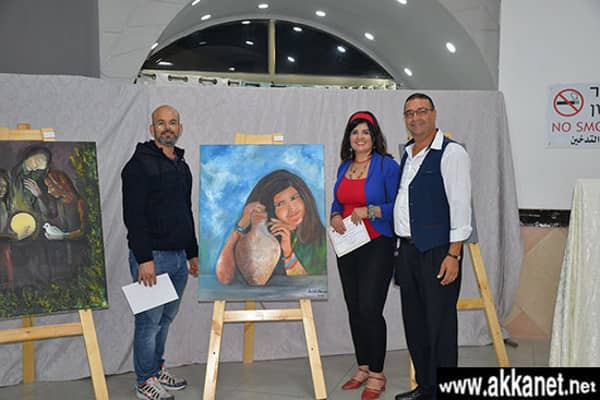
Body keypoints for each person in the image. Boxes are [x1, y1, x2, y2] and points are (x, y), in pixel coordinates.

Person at [393, 93, 472, 400]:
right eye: (409, 113)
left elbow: (460, 208)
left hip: (439, 252)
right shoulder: (408, 154)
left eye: (422, 111)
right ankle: (426, 387)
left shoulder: (452, 153)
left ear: (434, 114)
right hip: (408, 251)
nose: (416, 118)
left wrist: (454, 254)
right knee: (415, 324)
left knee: (440, 326)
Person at [121, 104, 199, 400]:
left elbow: (185, 211)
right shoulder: (138, 166)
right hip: (152, 258)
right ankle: (144, 381)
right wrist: (144, 259)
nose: (168, 128)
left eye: (173, 122)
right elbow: (133, 217)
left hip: (178, 258)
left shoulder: (181, 165)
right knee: (148, 322)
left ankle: (156, 368)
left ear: (180, 128)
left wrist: (192, 253)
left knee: (165, 319)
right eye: (161, 123)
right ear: (152, 129)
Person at [330, 111, 400, 400]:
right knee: (355, 307)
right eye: (355, 132)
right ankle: (363, 366)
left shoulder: (387, 166)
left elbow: (399, 205)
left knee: (370, 308)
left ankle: (377, 373)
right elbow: (338, 200)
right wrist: (335, 215)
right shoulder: (344, 167)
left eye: (365, 132)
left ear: (374, 137)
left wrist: (370, 211)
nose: (360, 137)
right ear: (349, 138)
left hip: (377, 243)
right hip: (348, 245)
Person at [215, 169, 326, 285]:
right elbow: (225, 278)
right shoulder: (260, 241)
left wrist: (288, 253)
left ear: (304, 197)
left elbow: (312, 286)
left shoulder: (319, 239)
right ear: (269, 209)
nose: (292, 209)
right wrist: (240, 226)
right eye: (280, 204)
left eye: (294, 198)